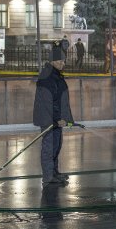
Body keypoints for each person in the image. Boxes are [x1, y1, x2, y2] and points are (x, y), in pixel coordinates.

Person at [33, 41, 74, 186]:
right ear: (54, 61)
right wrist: (56, 120)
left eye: (64, 60)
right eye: (61, 61)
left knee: (56, 146)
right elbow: (46, 103)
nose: (63, 63)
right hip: (49, 120)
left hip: (56, 120)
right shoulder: (47, 76)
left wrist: (67, 119)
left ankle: (54, 173)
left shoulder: (56, 75)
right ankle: (48, 177)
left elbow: (61, 100)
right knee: (49, 148)